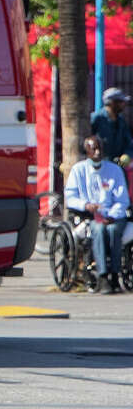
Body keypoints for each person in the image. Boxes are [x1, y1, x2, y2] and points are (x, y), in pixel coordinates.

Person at [65, 135, 130, 293]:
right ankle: (102, 276)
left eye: (99, 148)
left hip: (113, 215)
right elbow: (71, 197)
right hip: (90, 215)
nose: (97, 152)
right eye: (93, 148)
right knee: (99, 230)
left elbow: (122, 199)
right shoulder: (78, 170)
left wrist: (113, 215)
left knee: (113, 230)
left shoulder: (114, 170)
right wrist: (85, 205)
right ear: (86, 151)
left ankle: (115, 274)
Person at [91, 88, 133, 167]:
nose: (124, 104)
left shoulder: (121, 121)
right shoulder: (96, 119)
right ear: (111, 103)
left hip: (117, 167)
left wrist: (127, 155)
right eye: (121, 102)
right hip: (99, 166)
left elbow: (129, 143)